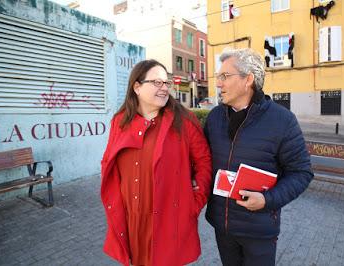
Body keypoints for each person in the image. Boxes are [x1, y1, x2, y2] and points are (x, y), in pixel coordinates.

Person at [204, 48, 314, 265]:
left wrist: (267, 200)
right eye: (218, 77)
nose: (218, 84)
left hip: (259, 229)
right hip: (222, 227)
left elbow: (301, 173)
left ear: (248, 80)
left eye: (225, 76)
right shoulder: (215, 117)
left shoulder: (282, 120)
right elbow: (202, 163)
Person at [100, 59, 212, 266]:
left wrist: (194, 203)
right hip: (132, 218)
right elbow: (108, 160)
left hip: (170, 217)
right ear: (137, 87)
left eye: (166, 83)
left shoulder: (184, 120)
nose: (164, 89)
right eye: (157, 83)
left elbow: (204, 161)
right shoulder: (120, 121)